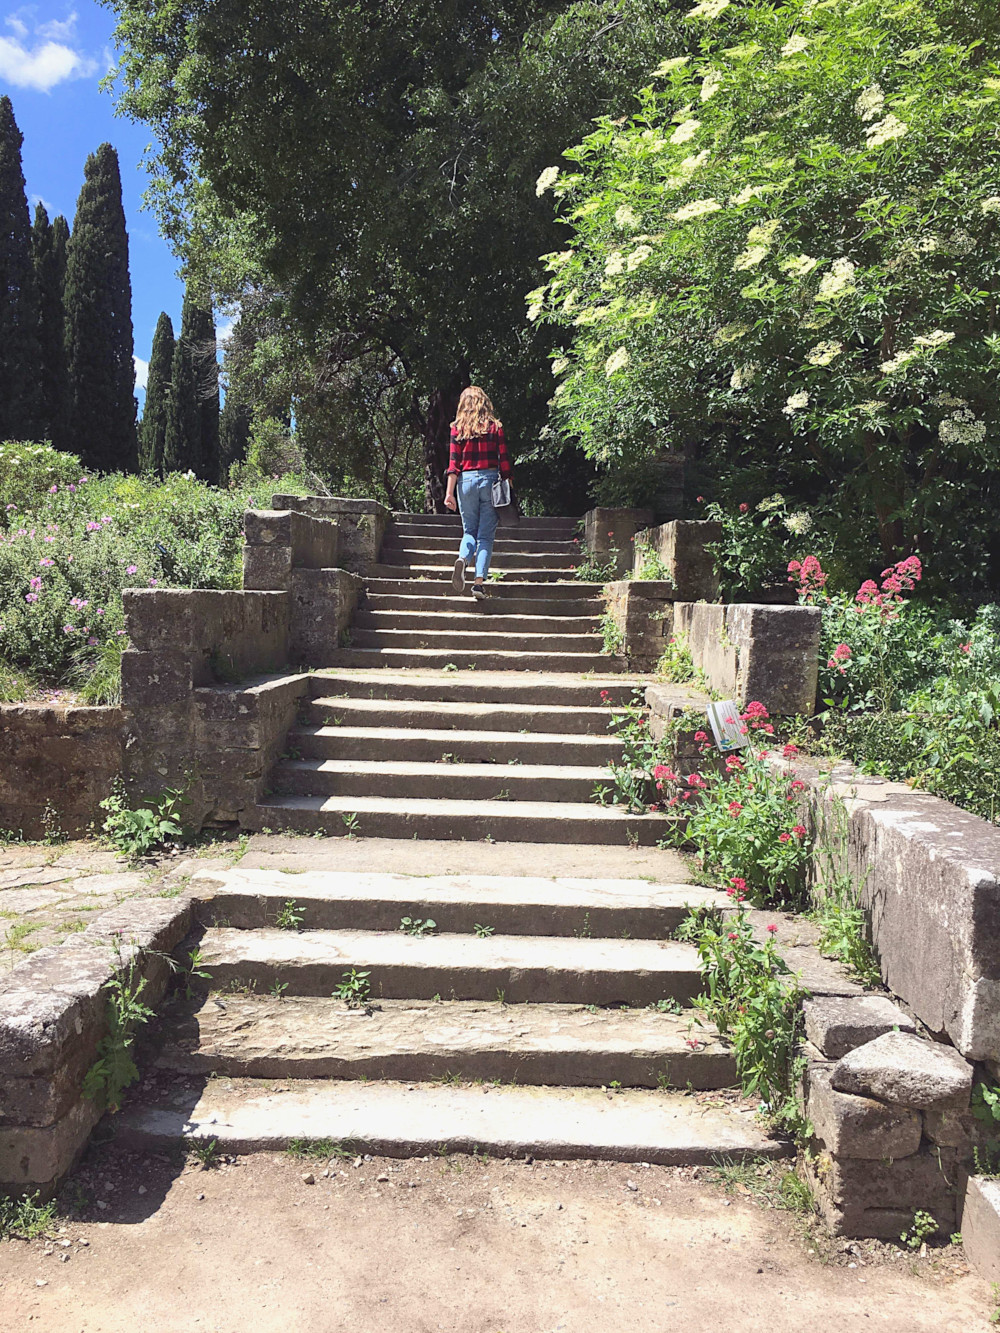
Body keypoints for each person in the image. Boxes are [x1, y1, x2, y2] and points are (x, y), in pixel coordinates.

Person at [443, 386, 512, 600]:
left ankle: (463, 558)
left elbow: (453, 464)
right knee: (485, 536)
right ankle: (478, 584)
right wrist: (509, 484)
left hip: (466, 482)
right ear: (484, 402)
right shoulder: (495, 427)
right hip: (490, 481)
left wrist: (449, 494)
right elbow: (505, 460)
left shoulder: (457, 428)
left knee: (469, 531)